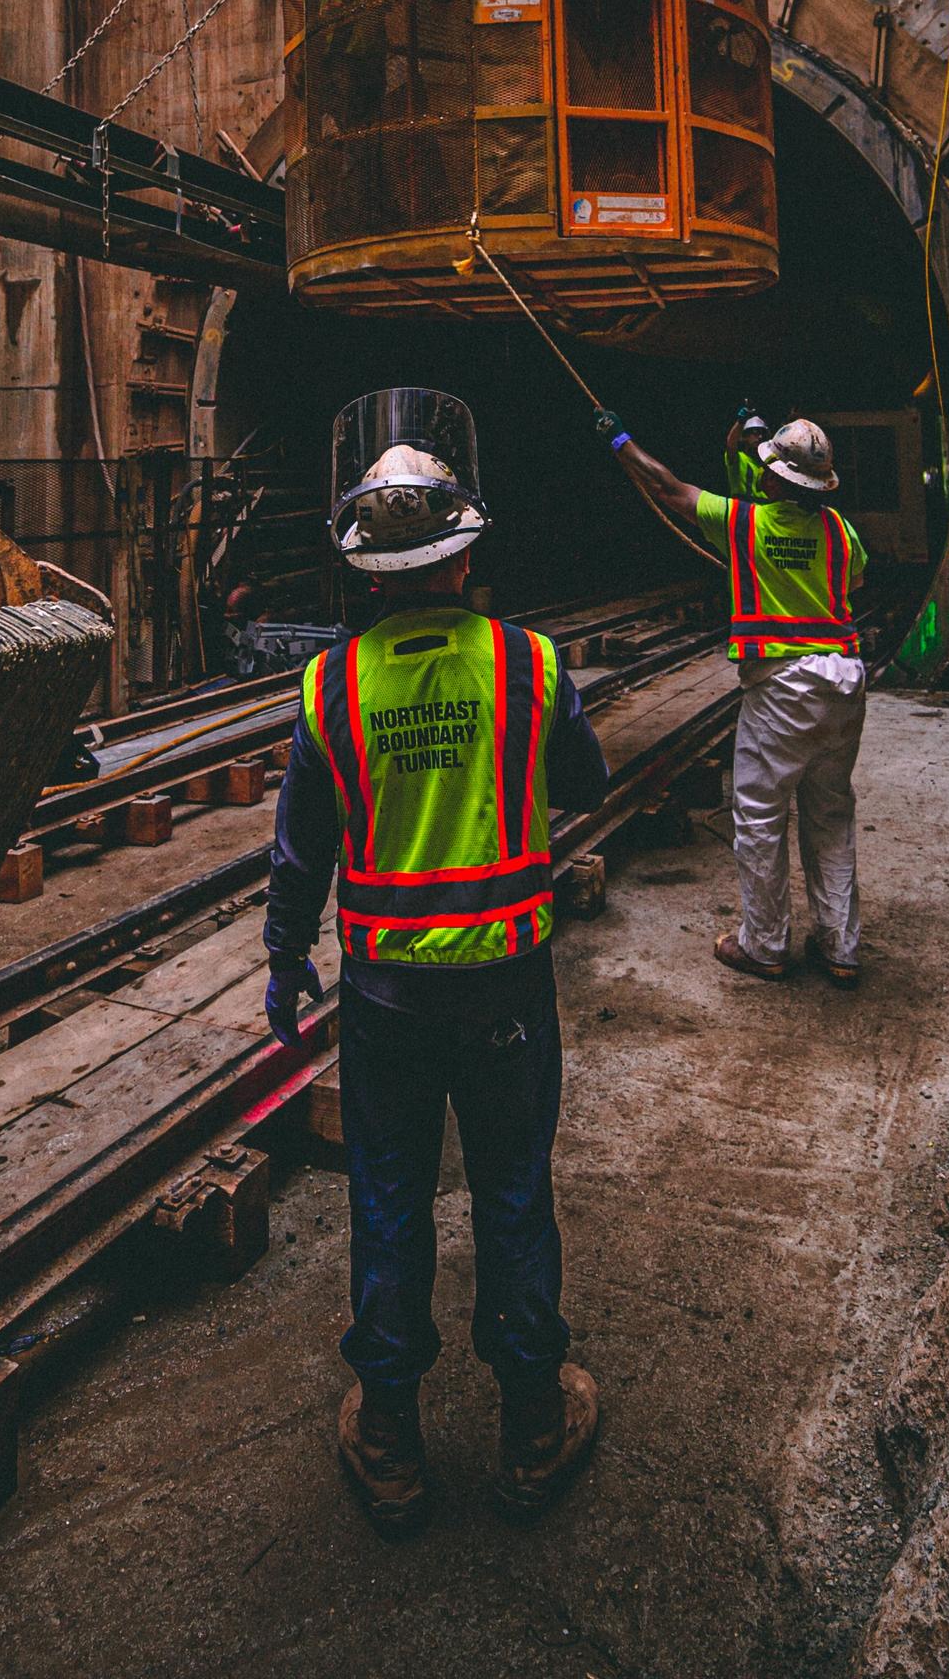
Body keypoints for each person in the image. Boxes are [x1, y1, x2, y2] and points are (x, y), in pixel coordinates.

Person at [263, 389, 611, 1536]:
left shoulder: (328, 689)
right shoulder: (528, 664)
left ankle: (394, 1441)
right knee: (513, 1191)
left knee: (389, 1198)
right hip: (507, 986)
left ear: (367, 573)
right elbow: (585, 784)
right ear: (465, 555)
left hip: (382, 996)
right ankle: (527, 1427)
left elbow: (300, 849)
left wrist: (281, 959)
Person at [600, 410, 871, 988]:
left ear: (774, 479)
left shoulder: (745, 524)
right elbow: (854, 583)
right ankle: (840, 948)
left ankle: (766, 945)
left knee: (761, 817)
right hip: (845, 683)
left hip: (782, 687)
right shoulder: (843, 534)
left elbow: (665, 486)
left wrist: (620, 439)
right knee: (830, 815)